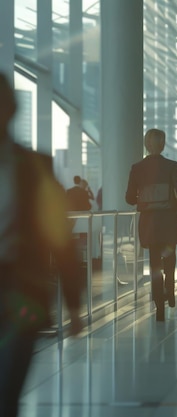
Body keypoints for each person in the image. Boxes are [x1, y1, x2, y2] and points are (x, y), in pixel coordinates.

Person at [0, 72, 84, 417]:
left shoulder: (38, 167)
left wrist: (74, 303)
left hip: (23, 292)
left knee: (7, 394)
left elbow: (58, 236)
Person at [125, 128, 177, 321]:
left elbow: (128, 198)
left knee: (153, 263)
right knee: (169, 257)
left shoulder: (137, 168)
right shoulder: (171, 165)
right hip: (168, 219)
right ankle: (170, 287)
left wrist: (143, 198)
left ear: (146, 144)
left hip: (149, 221)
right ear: (162, 144)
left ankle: (158, 303)